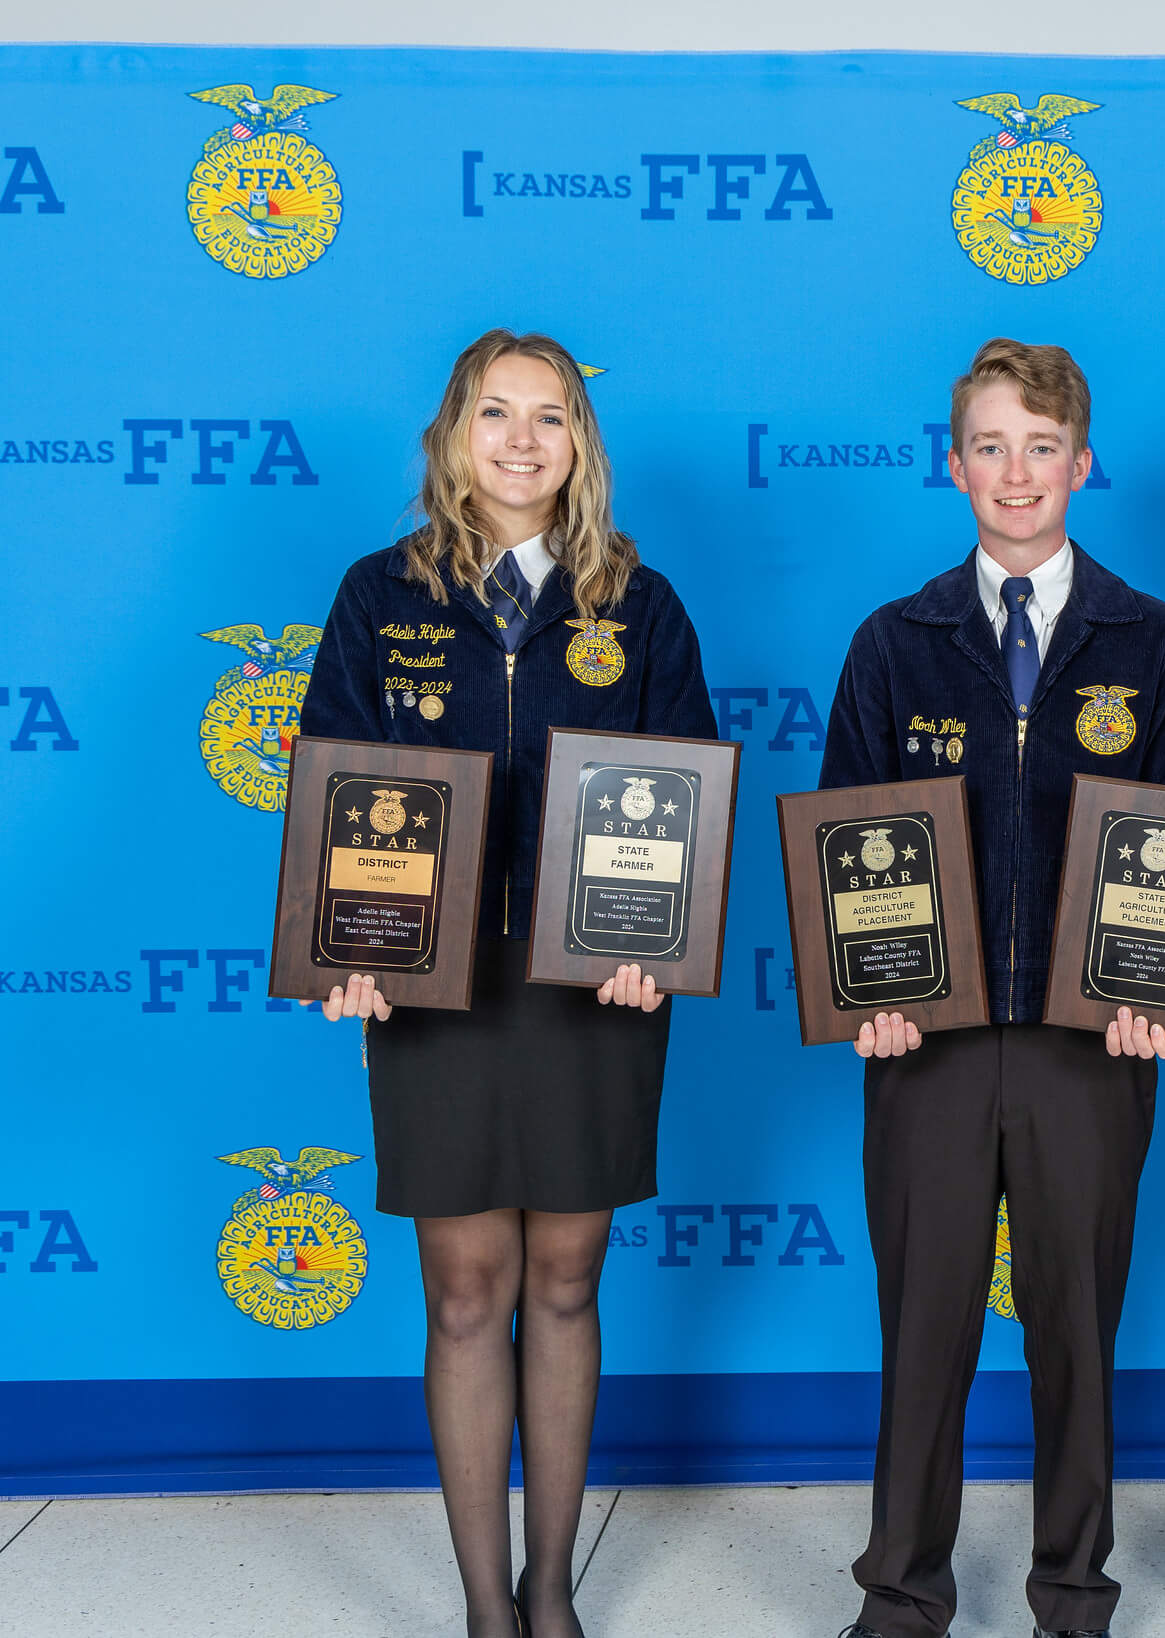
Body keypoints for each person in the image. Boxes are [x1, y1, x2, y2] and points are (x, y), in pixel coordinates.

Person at [298, 328, 715, 1638]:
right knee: (467, 1286)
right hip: (436, 995)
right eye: (496, 413)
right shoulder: (379, 595)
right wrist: (349, 958)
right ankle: (487, 1604)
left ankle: (552, 1589)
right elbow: (335, 776)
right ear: (452, 432)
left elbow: (685, 790)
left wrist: (665, 942)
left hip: (597, 992)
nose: (522, 439)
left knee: (568, 1280)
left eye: (551, 416)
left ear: (580, 441)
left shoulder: (638, 604)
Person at [820, 338, 1165, 1638]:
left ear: (1083, 465)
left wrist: (1163, 984)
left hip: (1088, 1043)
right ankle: (902, 1588)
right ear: (953, 466)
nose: (1015, 471)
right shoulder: (893, 643)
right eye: (989, 445)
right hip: (923, 1042)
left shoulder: (1154, 643)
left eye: (1041, 446)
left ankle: (1074, 1586)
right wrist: (860, 987)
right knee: (924, 1323)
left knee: (1075, 1326)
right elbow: (847, 837)